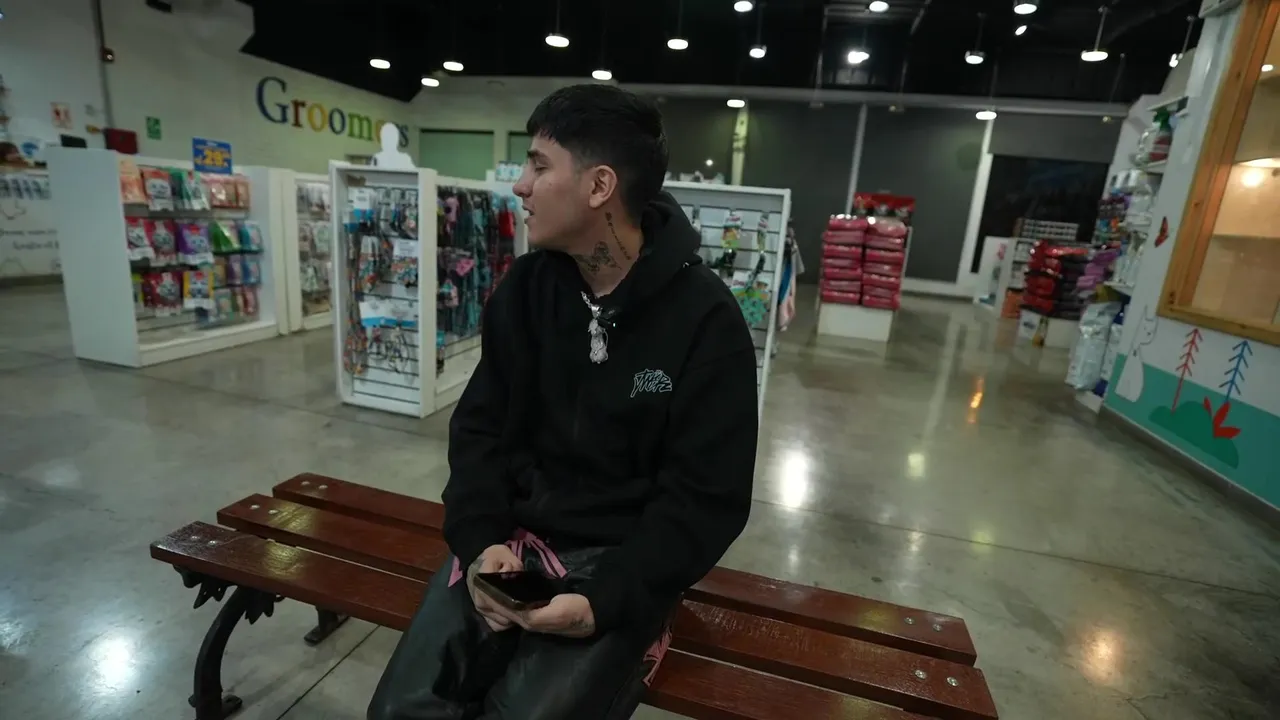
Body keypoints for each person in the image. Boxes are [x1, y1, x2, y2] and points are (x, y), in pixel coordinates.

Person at [368, 84, 759, 720]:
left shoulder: (705, 321)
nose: (520, 185)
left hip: (618, 569)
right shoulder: (526, 290)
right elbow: (479, 430)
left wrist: (610, 599)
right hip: (506, 546)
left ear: (599, 186)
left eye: (539, 165)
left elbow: (706, 498)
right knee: (399, 713)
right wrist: (480, 542)